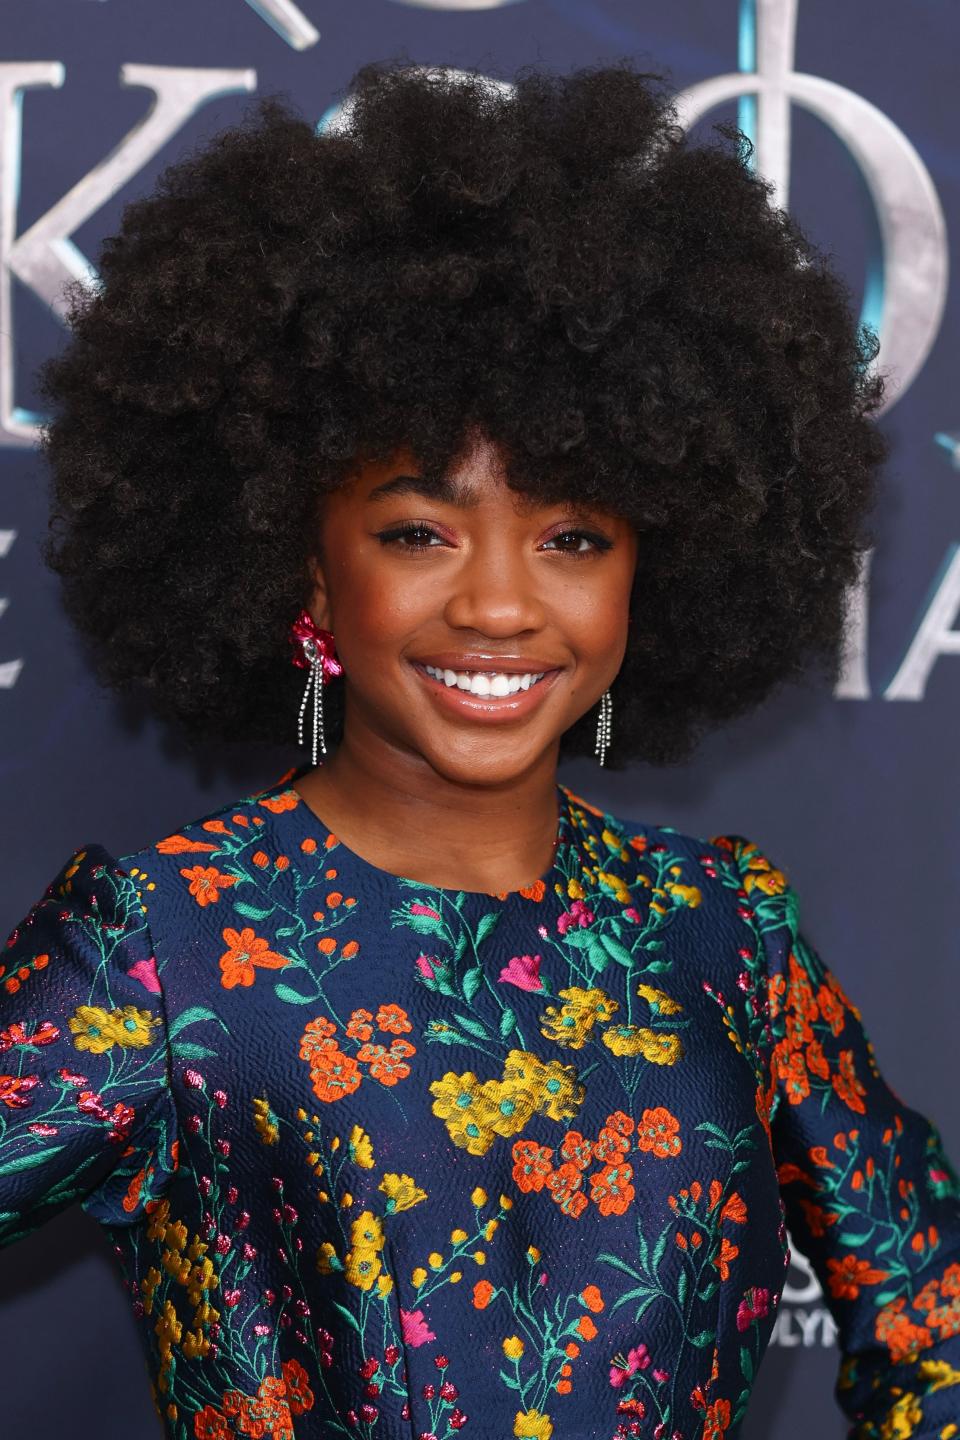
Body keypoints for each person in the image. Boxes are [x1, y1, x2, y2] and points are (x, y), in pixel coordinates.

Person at [3, 55, 957, 1440]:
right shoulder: (166, 947)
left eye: (574, 536)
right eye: (418, 532)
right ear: (306, 571)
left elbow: (935, 1326)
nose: (503, 603)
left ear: (657, 571)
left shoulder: (723, 938)